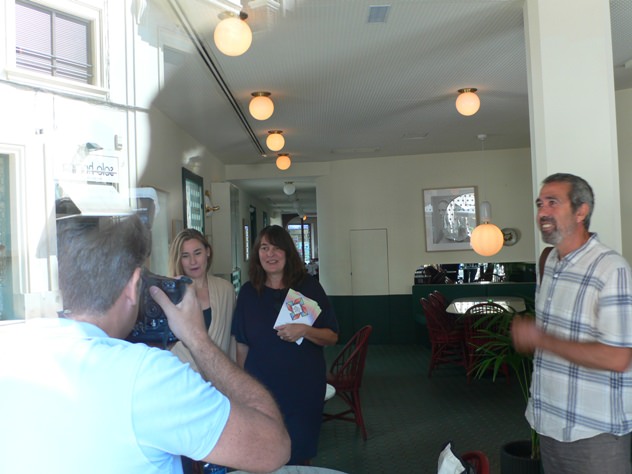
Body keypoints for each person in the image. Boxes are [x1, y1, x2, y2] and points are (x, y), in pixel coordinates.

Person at [0, 215, 290, 474]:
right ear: (134, 284)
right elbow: (273, 448)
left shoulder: (10, 351)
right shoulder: (148, 375)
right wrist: (197, 339)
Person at [511, 173, 632, 474]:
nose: (542, 212)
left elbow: (618, 358)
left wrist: (541, 339)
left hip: (594, 434)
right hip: (550, 426)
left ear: (581, 211)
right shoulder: (550, 262)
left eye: (553, 202)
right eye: (540, 203)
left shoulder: (611, 269)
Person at [232, 225, 339, 465]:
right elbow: (241, 346)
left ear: (288, 252)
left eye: (277, 248)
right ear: (257, 254)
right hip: (262, 391)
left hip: (303, 389)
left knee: (298, 454)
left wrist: (305, 330)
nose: (271, 254)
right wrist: (241, 389)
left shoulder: (308, 287)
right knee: (264, 454)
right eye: (264, 248)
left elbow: (332, 336)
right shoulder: (249, 293)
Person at [168, 228, 236, 365]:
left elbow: (232, 340)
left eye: (197, 253)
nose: (193, 261)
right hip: (182, 377)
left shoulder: (226, 290)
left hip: (220, 378)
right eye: (185, 256)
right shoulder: (169, 293)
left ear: (208, 252)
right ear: (178, 259)